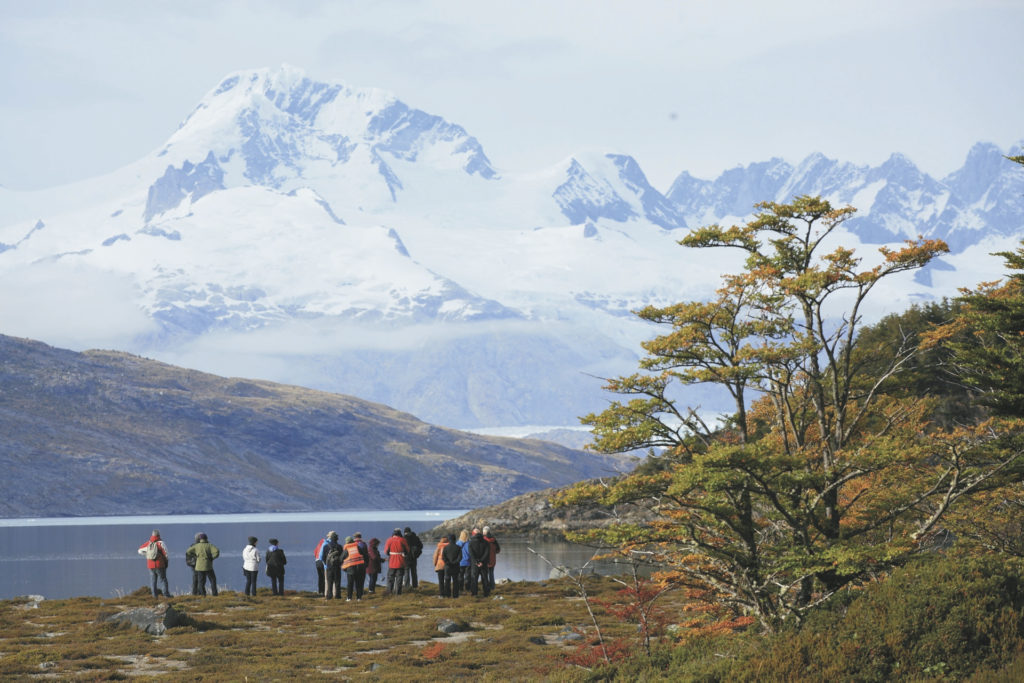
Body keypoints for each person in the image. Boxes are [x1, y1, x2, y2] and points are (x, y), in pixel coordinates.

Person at [137, 529, 170, 598]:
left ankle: (154, 596)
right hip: (160, 565)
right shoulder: (160, 543)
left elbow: (139, 550)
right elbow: (166, 554)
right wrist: (166, 561)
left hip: (150, 565)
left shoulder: (148, 543)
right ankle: (166, 595)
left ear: (152, 535)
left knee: (153, 581)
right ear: (159, 535)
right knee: (163, 580)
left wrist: (147, 554)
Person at [341, 535, 368, 601]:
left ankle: (349, 598)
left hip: (350, 569)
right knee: (359, 583)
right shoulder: (358, 548)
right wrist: (365, 565)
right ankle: (359, 598)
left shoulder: (346, 549)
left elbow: (341, 559)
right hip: (360, 568)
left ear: (347, 543)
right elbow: (365, 556)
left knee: (350, 584)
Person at [383, 528, 411, 595]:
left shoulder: (389, 540)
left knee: (390, 577)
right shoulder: (403, 540)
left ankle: (389, 591)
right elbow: (407, 550)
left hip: (392, 561)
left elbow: (386, 552)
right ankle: (398, 593)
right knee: (399, 577)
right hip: (400, 561)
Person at [468, 528, 490, 597]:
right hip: (484, 563)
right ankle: (486, 593)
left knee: (474, 579)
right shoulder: (486, 542)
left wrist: (476, 561)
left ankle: (474, 593)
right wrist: (482, 561)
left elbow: (471, 554)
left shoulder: (471, 543)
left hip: (475, 564)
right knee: (485, 579)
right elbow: (487, 553)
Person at [321, 531, 343, 600]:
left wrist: (326, 564)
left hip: (329, 567)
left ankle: (329, 596)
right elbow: (342, 557)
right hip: (337, 567)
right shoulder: (339, 547)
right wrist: (340, 564)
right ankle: (337, 596)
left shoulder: (326, 546)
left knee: (329, 582)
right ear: (337, 539)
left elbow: (323, 557)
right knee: (337, 582)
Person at [441, 534, 463, 599]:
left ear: (449, 539)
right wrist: (455, 562)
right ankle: (455, 595)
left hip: (448, 567)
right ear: (455, 539)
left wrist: (448, 563)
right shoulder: (458, 547)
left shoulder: (445, 547)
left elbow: (443, 557)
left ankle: (448, 594)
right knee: (455, 581)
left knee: (447, 581)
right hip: (456, 566)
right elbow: (460, 557)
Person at [483, 526, 502, 595]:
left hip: (485, 560)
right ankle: (492, 586)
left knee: (485, 574)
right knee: (491, 573)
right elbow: (498, 550)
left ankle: (486, 587)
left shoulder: (483, 540)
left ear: (484, 532)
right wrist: (493, 553)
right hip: (493, 560)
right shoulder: (494, 540)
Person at [313, 532, 328, 596]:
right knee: (324, 577)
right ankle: (324, 591)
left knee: (320, 577)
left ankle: (320, 591)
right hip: (322, 562)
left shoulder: (317, 546)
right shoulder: (324, 546)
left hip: (317, 562)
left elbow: (314, 553)